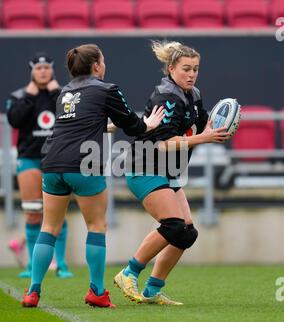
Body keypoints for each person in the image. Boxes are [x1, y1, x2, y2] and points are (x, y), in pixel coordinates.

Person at [21, 44, 165, 308]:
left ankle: (32, 291)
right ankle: (96, 292)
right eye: (103, 61)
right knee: (96, 227)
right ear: (96, 65)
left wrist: (105, 126)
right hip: (84, 164)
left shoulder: (64, 92)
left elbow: (78, 124)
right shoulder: (106, 89)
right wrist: (149, 125)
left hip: (53, 163)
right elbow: (133, 125)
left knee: (49, 227)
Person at [113, 41, 231, 305]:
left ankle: (152, 290)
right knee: (174, 226)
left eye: (196, 69)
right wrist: (204, 138)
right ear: (171, 69)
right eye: (186, 69)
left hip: (167, 172)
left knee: (186, 233)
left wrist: (218, 124)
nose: (192, 74)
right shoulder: (166, 97)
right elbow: (164, 143)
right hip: (144, 167)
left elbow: (202, 123)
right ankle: (129, 272)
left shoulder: (193, 93)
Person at [6, 52, 73, 279]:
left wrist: (55, 92)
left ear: (52, 70)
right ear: (32, 71)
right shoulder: (20, 95)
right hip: (30, 158)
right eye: (38, 68)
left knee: (57, 214)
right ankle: (32, 266)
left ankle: (61, 264)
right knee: (33, 214)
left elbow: (70, 116)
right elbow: (14, 120)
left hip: (57, 158)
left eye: (46, 67)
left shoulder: (63, 94)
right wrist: (28, 97)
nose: (43, 71)